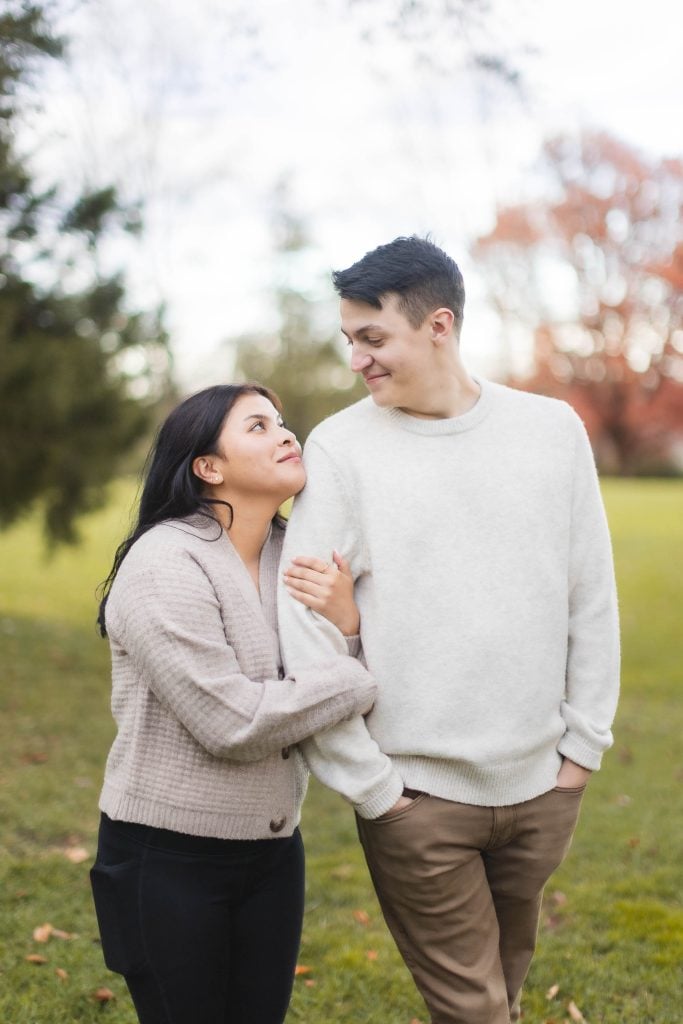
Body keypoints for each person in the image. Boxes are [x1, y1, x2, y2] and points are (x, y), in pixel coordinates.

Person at [278, 236, 620, 1024]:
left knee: (500, 990)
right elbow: (305, 627)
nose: (357, 359)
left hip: (541, 787)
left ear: (438, 325)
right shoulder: (342, 448)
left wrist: (580, 753)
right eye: (349, 341)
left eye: (372, 337)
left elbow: (589, 599)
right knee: (476, 1010)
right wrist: (375, 790)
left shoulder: (550, 431)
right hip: (416, 799)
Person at [90, 382, 374, 1024]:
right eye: (258, 425)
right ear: (207, 467)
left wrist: (351, 625)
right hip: (167, 859)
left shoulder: (296, 560)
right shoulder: (163, 565)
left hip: (274, 853)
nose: (285, 433)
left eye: (282, 420)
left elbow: (346, 659)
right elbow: (233, 722)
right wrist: (358, 668)